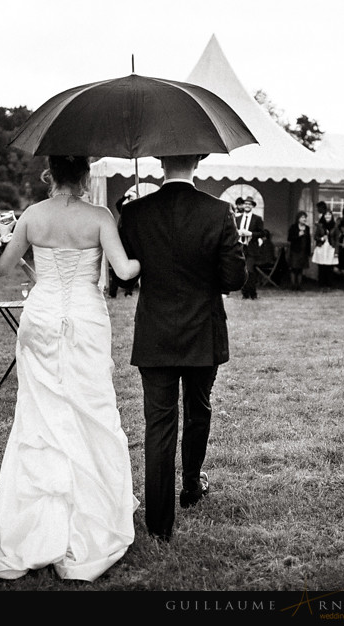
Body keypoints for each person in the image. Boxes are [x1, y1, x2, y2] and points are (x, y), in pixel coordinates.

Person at [0, 155, 141, 581]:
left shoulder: (32, 215)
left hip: (42, 314)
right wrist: (149, 256)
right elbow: (124, 270)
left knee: (41, 409)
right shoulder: (101, 216)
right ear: (85, 175)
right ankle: (90, 511)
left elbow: (5, 269)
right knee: (91, 406)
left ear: (52, 173)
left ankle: (36, 522)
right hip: (85, 317)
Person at [117, 153, 246, 542]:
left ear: (159, 162)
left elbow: (123, 278)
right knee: (198, 407)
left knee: (158, 423)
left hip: (155, 331)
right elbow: (235, 277)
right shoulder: (219, 211)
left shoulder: (135, 212)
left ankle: (159, 524)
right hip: (202, 330)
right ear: (198, 161)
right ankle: (191, 485)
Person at [235, 196, 264, 300]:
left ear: (252, 206)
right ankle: (244, 294)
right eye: (245, 204)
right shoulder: (237, 218)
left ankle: (253, 293)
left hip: (251, 248)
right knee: (242, 271)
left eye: (249, 204)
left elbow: (262, 233)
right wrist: (238, 233)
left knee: (250, 271)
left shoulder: (257, 219)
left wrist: (250, 233)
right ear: (243, 205)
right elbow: (232, 232)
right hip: (240, 247)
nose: (247, 205)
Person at [108, 193, 135, 298]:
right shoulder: (124, 211)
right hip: (121, 242)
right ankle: (113, 292)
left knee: (129, 266)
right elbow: (118, 204)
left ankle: (128, 291)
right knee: (117, 267)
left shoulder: (135, 215)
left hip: (129, 243)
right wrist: (125, 197)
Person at [312, 209, 339, 290]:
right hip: (322, 247)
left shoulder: (335, 226)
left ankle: (329, 285)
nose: (327, 216)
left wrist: (336, 251)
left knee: (329, 267)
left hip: (331, 248)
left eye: (329, 215)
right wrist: (321, 238)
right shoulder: (320, 226)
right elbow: (315, 237)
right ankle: (321, 285)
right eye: (326, 215)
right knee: (321, 266)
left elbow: (337, 239)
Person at [286, 211, 311, 291]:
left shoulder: (307, 228)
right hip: (295, 251)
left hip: (303, 252)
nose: (304, 219)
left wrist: (309, 251)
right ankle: (293, 286)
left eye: (305, 217)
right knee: (294, 268)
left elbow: (309, 241)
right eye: (302, 217)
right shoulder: (293, 227)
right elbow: (289, 238)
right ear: (298, 219)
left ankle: (299, 286)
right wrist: (298, 235)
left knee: (301, 269)